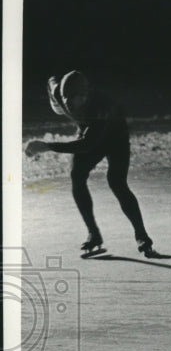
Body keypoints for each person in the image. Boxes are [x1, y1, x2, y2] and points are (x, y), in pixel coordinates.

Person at [24, 71, 155, 257]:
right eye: (65, 97)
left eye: (74, 98)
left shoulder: (100, 107)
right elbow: (51, 81)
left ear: (85, 96)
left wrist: (47, 146)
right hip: (88, 132)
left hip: (115, 138)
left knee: (116, 182)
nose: (68, 102)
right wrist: (53, 97)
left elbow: (87, 145)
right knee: (76, 175)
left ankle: (142, 235)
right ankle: (94, 234)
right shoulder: (59, 94)